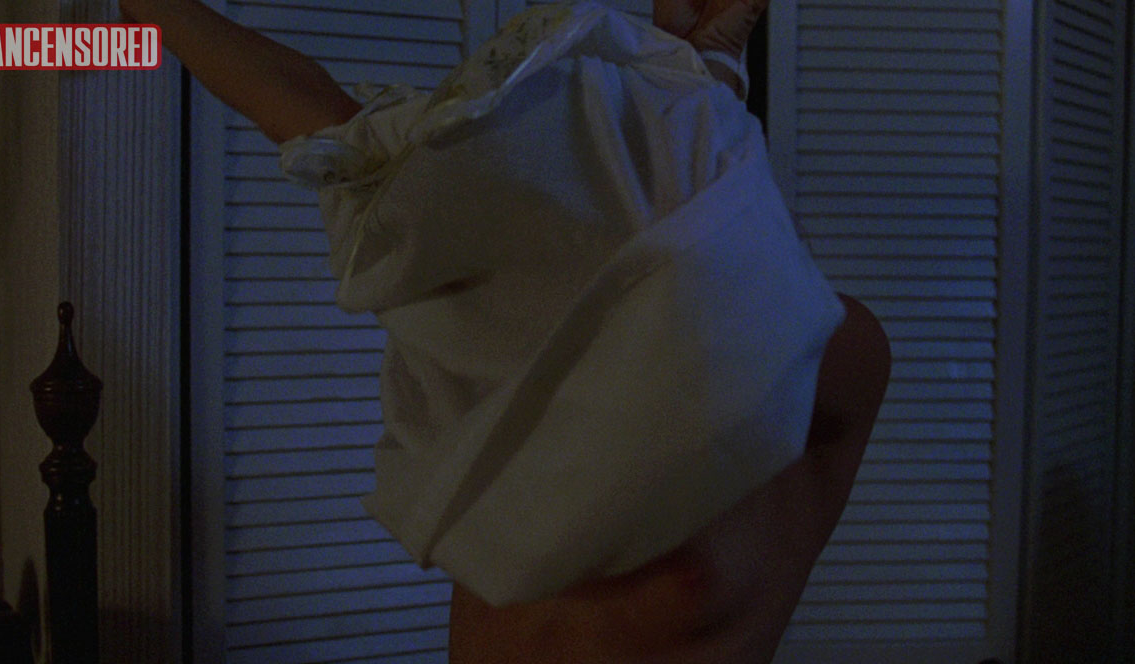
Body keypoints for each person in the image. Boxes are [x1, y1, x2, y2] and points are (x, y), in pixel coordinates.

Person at [118, 0, 892, 661]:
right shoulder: (526, 373)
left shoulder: (798, 361)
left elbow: (730, 283)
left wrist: (707, 76)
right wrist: (706, 71)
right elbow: (326, 130)